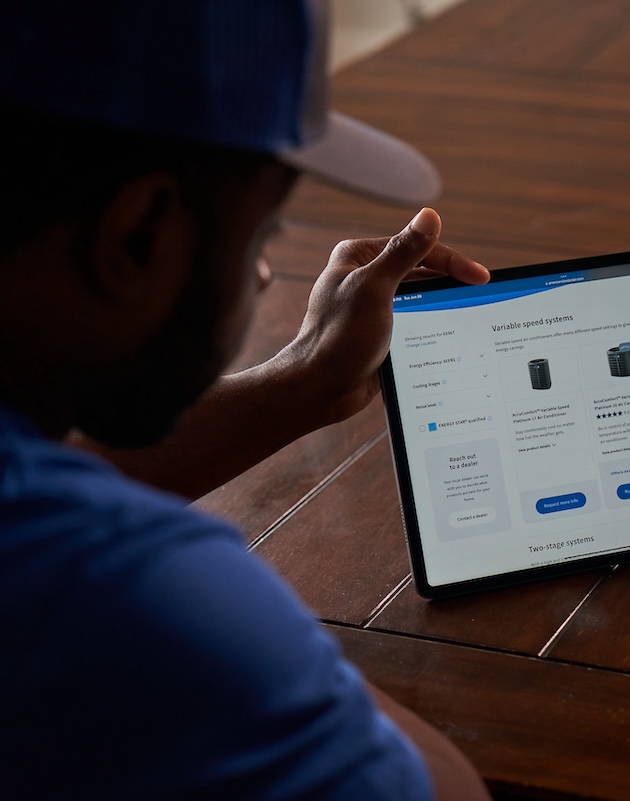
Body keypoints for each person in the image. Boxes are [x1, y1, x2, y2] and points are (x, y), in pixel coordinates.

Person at [0, 1, 492, 798]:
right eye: (261, 236)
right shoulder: (117, 596)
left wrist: (307, 378)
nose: (264, 277)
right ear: (139, 235)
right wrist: (259, 636)